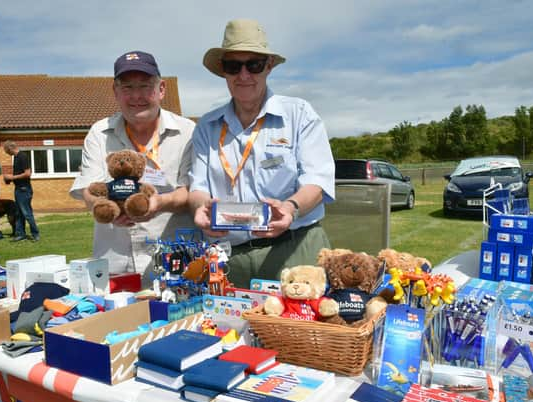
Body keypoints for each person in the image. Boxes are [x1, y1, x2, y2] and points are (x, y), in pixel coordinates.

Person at [189, 19, 336, 289]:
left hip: (295, 248)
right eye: (234, 66)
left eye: (253, 64)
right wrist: (200, 209)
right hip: (229, 257)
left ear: (268, 66)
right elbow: (197, 187)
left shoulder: (299, 114)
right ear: (223, 71)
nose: (244, 75)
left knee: (303, 331)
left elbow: (318, 180)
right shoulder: (206, 127)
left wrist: (290, 208)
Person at [69, 50, 195, 279]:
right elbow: (89, 187)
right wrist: (105, 209)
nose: (136, 96)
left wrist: (159, 203)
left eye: (145, 86)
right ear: (115, 91)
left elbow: (190, 192)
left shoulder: (187, 132)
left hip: (174, 261)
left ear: (161, 89)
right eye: (127, 87)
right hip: (115, 263)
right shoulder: (99, 132)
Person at [2, 140, 40, 242]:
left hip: (24, 190)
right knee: (19, 213)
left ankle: (35, 234)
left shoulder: (22, 156)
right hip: (18, 189)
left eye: (6, 150)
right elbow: (19, 174)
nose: (6, 153)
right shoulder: (16, 157)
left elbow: (28, 173)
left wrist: (12, 177)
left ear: (9, 148)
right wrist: (9, 179)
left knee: (27, 213)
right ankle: (20, 234)